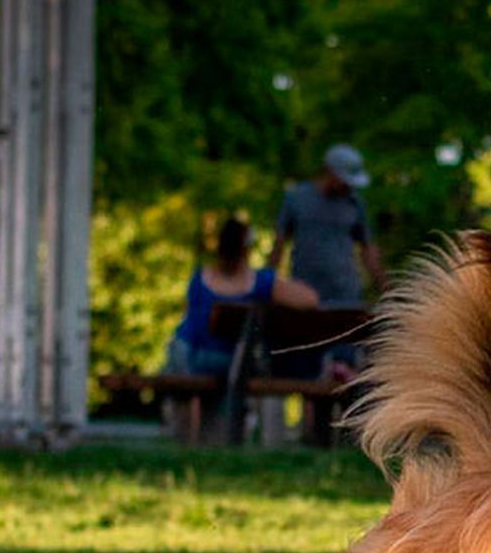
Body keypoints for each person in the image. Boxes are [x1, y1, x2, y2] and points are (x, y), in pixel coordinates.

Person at [166, 217, 319, 378]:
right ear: (246, 250)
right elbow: (310, 300)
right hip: (225, 362)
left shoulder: (201, 279)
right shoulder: (259, 282)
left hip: (195, 357)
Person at [269, 144, 388, 308]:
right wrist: (267, 284)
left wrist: (386, 288)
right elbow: (279, 244)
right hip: (304, 294)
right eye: (345, 180)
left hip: (347, 296)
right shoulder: (296, 198)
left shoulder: (354, 203)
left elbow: (368, 249)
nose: (349, 186)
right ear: (330, 172)